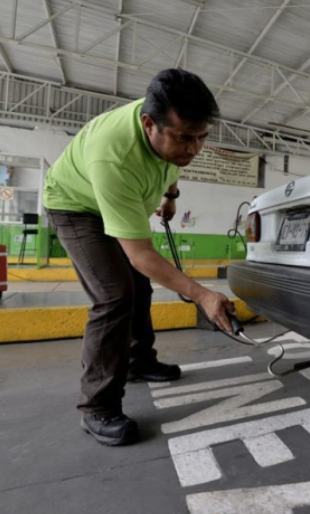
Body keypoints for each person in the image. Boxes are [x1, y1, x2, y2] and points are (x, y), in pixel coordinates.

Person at [43, 69, 235, 447]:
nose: (194, 149)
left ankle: (138, 362)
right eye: (184, 138)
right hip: (76, 206)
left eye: (202, 138)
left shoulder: (170, 137)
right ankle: (97, 406)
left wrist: (170, 197)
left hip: (109, 200)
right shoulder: (114, 156)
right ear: (149, 124)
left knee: (140, 288)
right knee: (114, 294)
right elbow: (141, 254)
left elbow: (172, 165)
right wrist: (202, 295)